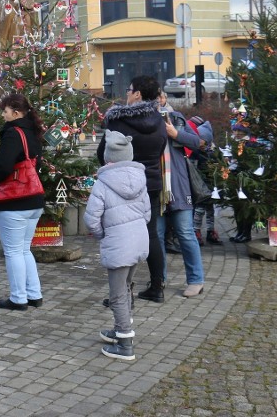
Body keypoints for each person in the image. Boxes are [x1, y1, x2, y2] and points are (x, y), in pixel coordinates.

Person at [97, 75, 168, 303]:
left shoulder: (117, 120)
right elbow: (161, 148)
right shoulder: (158, 119)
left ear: (137, 93)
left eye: (128, 89)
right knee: (151, 235)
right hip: (151, 183)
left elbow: (103, 153)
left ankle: (122, 293)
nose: (126, 93)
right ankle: (157, 286)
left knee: (122, 236)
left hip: (122, 185)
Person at [85, 130, 150, 361]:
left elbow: (91, 218)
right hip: (140, 241)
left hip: (118, 244)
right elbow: (147, 213)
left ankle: (124, 343)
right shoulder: (141, 180)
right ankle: (120, 328)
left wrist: (103, 234)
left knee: (117, 295)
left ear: (107, 157)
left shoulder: (102, 183)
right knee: (127, 287)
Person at [0, 93, 45, 311]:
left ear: (16, 112)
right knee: (24, 249)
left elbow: (3, 167)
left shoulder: (13, 134)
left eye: (5, 111)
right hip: (34, 199)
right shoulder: (33, 133)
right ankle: (34, 294)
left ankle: (18, 298)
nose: (3, 115)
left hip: (13, 201)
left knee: (13, 251)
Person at [157, 108, 205, 298]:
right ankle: (158, 279)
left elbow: (197, 142)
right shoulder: (143, 120)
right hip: (155, 187)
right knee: (156, 236)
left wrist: (175, 133)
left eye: (160, 98)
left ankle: (196, 280)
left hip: (178, 186)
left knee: (185, 234)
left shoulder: (175, 118)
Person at [187, 116, 222, 245]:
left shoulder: (212, 152)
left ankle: (210, 230)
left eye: (201, 140)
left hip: (211, 184)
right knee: (200, 209)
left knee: (210, 209)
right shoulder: (195, 152)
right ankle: (196, 231)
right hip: (200, 186)